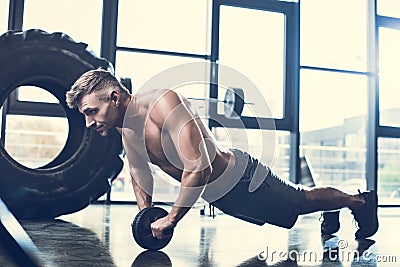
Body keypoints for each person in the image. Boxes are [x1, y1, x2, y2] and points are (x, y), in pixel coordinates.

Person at [66, 68, 378, 240]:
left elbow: (198, 166)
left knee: (300, 202)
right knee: (288, 217)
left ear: (115, 97)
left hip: (242, 179)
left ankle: (359, 201)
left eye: (92, 111)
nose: (90, 122)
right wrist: (145, 216)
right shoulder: (126, 128)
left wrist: (172, 219)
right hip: (222, 196)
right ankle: (333, 206)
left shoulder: (163, 103)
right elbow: (139, 173)